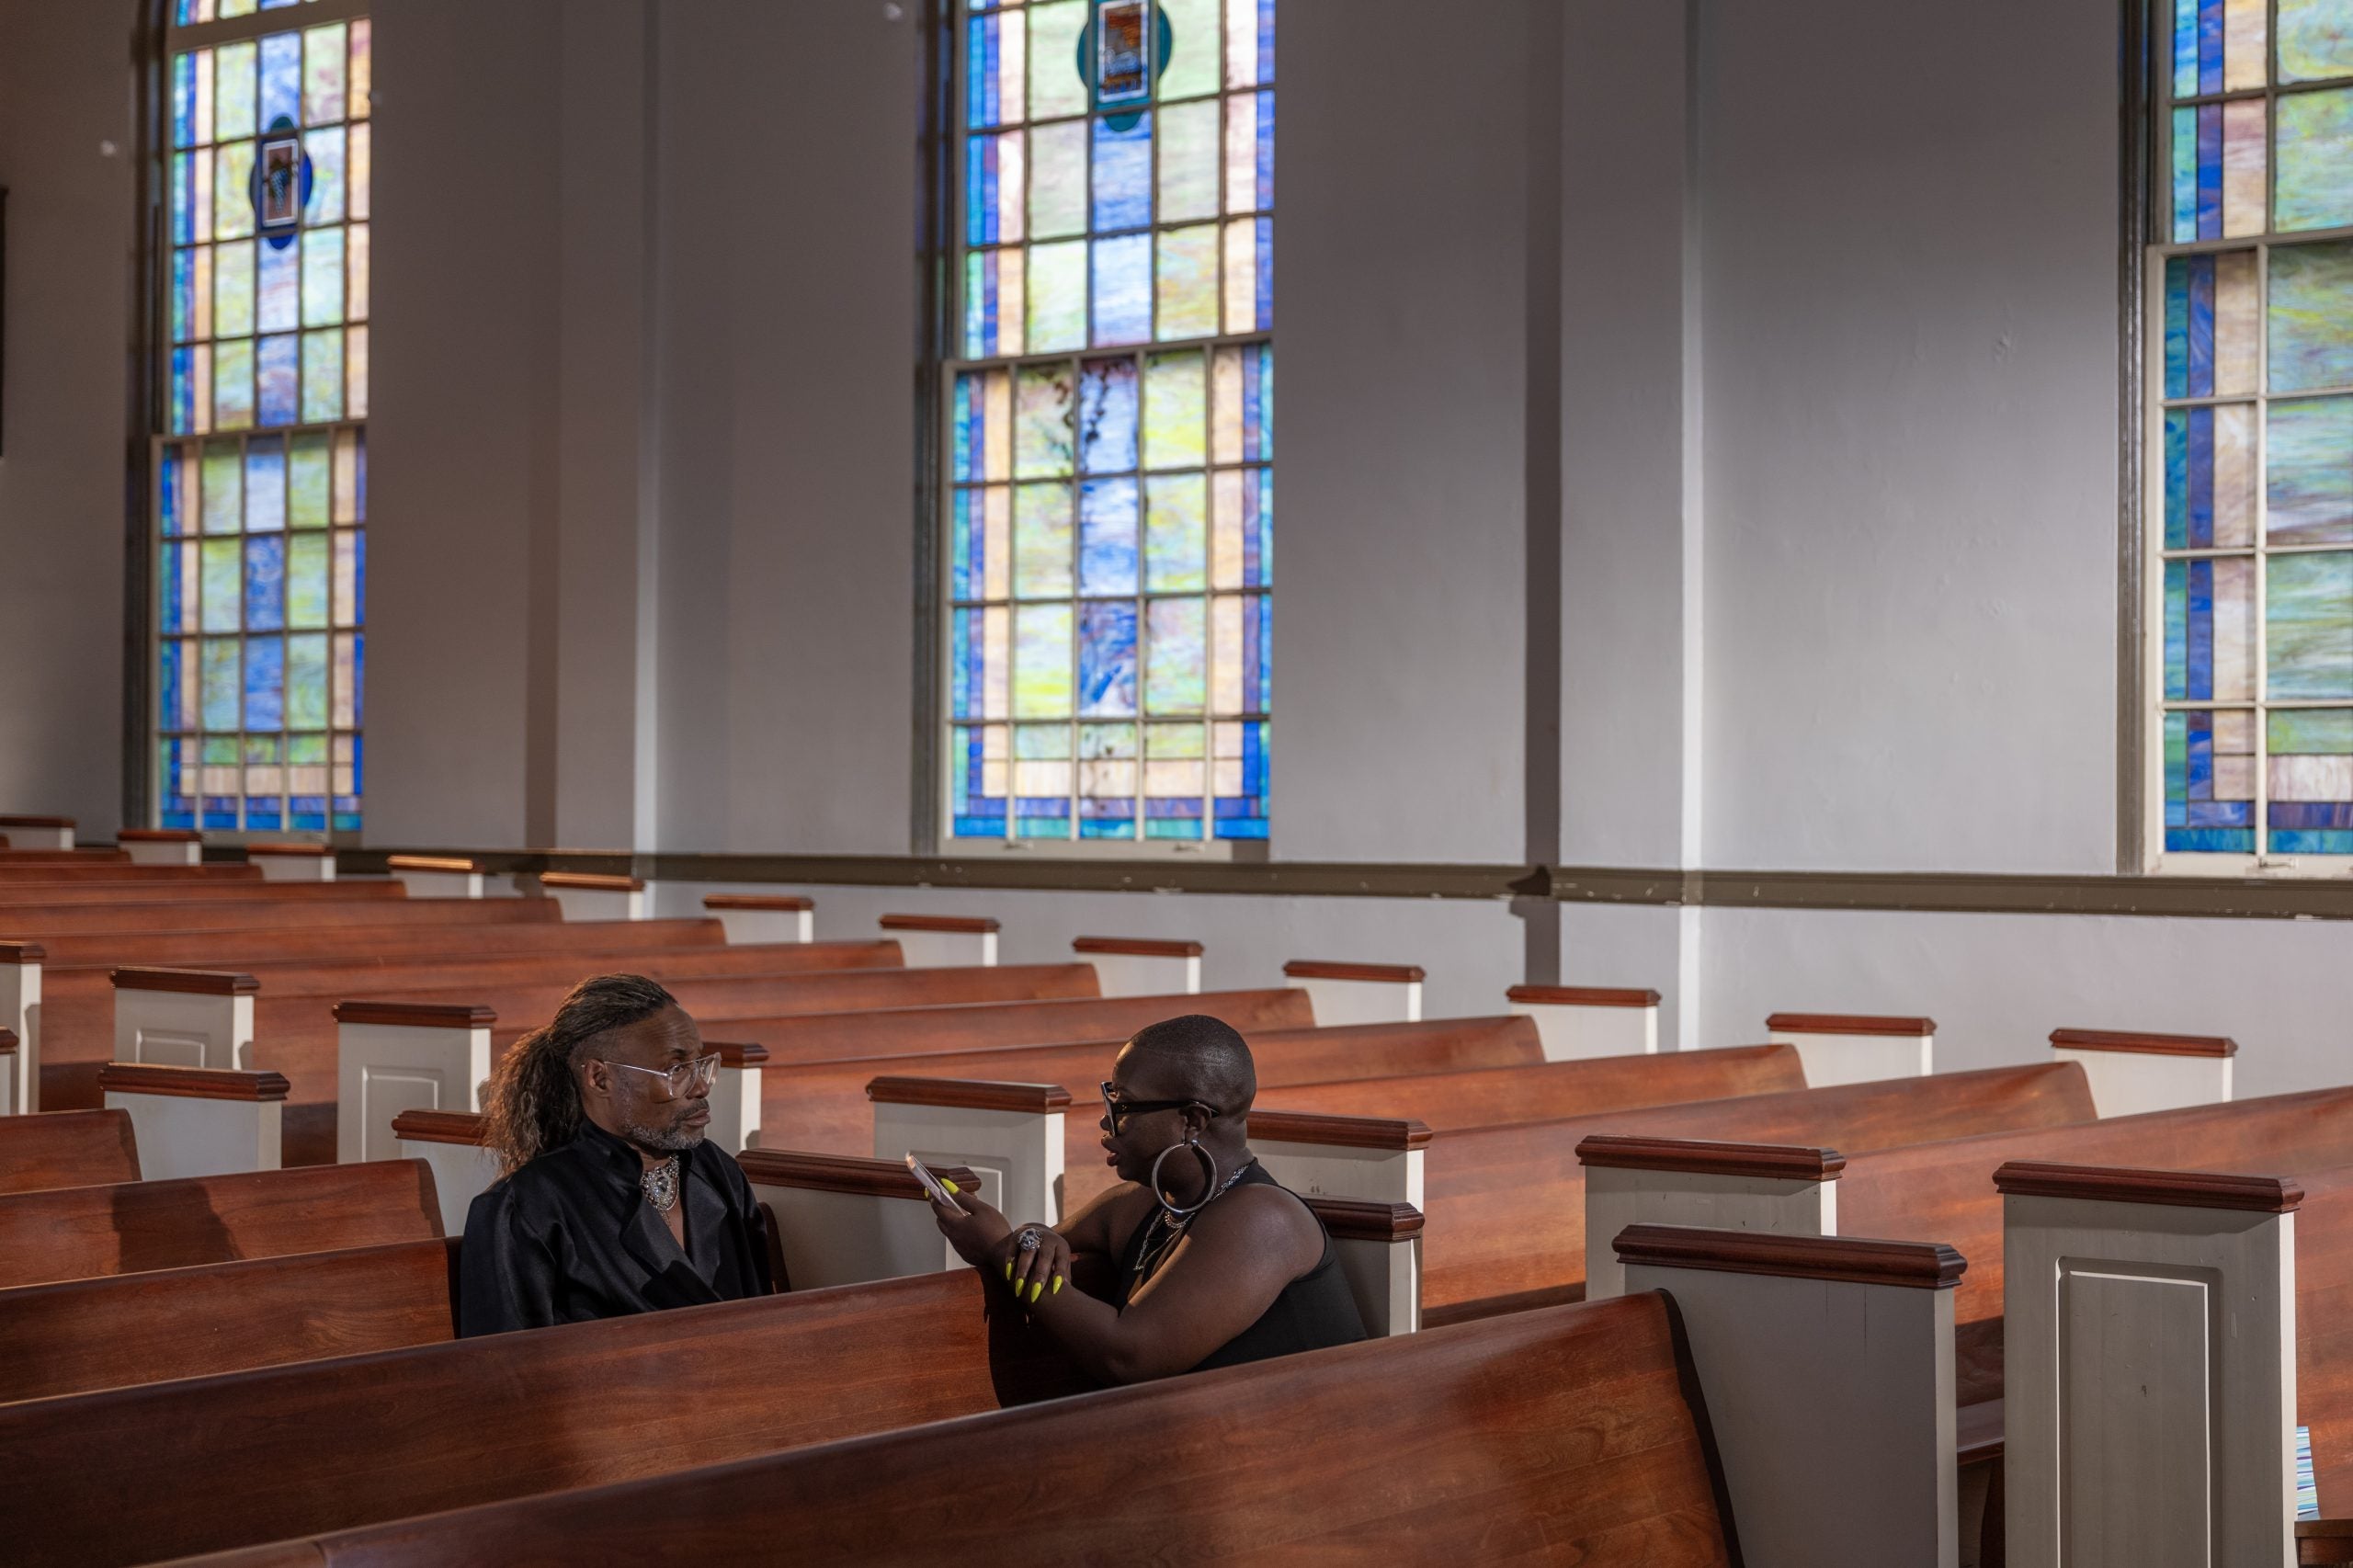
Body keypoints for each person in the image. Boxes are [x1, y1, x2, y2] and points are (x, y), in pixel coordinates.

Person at [929, 1013, 1367, 1382]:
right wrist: (1027, 1238)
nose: (1106, 1123)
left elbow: (1129, 1357)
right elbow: (1042, 1239)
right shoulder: (1139, 1205)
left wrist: (999, 1250)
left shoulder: (1265, 1220)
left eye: (1123, 1107)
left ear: (1192, 1121)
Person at [457, 972, 774, 1335]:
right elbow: (504, 1371)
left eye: (700, 1063)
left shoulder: (716, 1170)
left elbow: (761, 1321)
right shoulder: (526, 1206)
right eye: (675, 1069)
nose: (701, 1086)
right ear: (600, 1079)